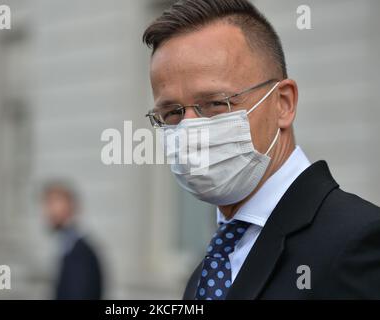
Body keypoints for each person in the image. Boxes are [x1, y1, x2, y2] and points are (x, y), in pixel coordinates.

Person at [142, 0, 380, 299]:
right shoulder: (207, 270)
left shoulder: (357, 242)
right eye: (172, 113)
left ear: (284, 103)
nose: (189, 131)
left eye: (216, 103)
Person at [42, 181, 102, 300]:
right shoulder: (67, 247)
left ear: (70, 205)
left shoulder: (80, 253)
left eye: (53, 202)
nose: (48, 211)